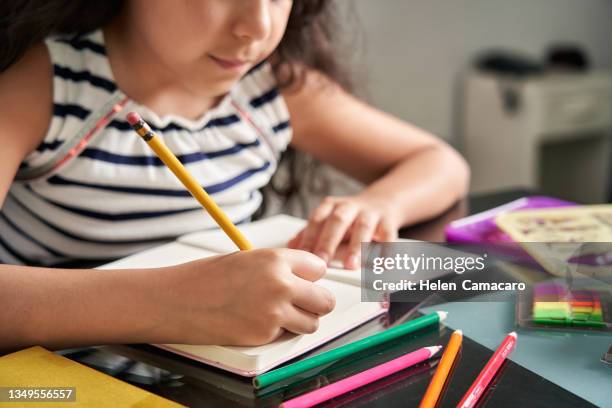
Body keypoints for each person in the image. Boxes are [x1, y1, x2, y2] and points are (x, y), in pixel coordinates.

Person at [0, 0, 469, 353]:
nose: (257, 27)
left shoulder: (270, 89)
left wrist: (377, 205)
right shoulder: (40, 85)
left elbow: (440, 162)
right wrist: (176, 305)